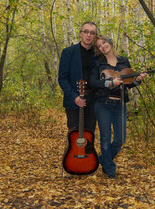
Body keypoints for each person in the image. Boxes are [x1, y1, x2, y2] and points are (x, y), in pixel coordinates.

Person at [89, 35, 147, 179]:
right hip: (103, 104)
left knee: (121, 139)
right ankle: (110, 169)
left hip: (120, 104)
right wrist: (109, 83)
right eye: (99, 46)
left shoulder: (123, 60)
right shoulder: (98, 62)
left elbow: (129, 82)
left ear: (110, 42)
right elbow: (92, 82)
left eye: (104, 43)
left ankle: (103, 159)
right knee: (105, 138)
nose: (103, 46)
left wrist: (137, 80)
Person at [58, 22, 98, 132]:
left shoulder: (98, 54)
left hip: (92, 102)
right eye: (86, 31)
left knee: (90, 135)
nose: (89, 35)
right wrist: (74, 97)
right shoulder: (68, 52)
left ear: (95, 36)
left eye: (92, 33)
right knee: (74, 135)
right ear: (80, 33)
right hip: (73, 100)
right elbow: (62, 78)